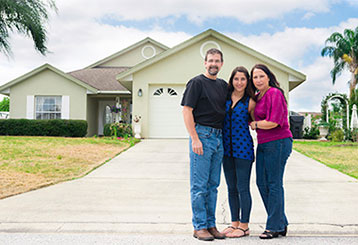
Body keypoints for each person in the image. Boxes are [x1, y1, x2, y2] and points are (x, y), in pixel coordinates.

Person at [181, 48, 228, 241]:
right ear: (205, 63)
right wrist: (194, 138)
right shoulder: (196, 83)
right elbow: (186, 111)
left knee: (213, 185)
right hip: (202, 135)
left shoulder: (223, 86)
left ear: (222, 64)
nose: (213, 64)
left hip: (219, 138)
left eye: (217, 61)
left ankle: (210, 224)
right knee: (199, 186)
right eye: (210, 61)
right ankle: (199, 226)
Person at [249, 64, 293, 239]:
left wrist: (256, 124)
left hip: (279, 142)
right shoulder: (258, 96)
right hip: (264, 143)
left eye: (261, 76)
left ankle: (274, 227)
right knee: (262, 182)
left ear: (268, 77)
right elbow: (253, 115)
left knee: (274, 183)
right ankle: (281, 222)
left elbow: (274, 122)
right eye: (255, 77)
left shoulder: (275, 93)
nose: (258, 80)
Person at [221, 66, 256, 238]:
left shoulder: (250, 101)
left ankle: (244, 225)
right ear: (232, 80)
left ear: (247, 81)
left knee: (243, 188)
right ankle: (234, 223)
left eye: (243, 79)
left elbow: (257, 121)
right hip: (226, 150)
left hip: (244, 151)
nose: (239, 82)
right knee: (231, 188)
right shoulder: (225, 98)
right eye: (236, 79)